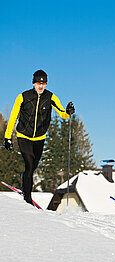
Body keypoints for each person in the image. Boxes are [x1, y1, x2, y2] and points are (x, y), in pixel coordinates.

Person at [4, 70, 75, 205]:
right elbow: (13, 117)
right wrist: (8, 137)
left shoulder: (50, 97)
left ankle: (25, 178)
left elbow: (62, 113)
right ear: (33, 83)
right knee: (29, 164)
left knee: (33, 166)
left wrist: (68, 112)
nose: (41, 86)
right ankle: (27, 198)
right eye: (38, 83)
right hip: (24, 136)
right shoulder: (23, 97)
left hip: (40, 138)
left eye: (43, 83)